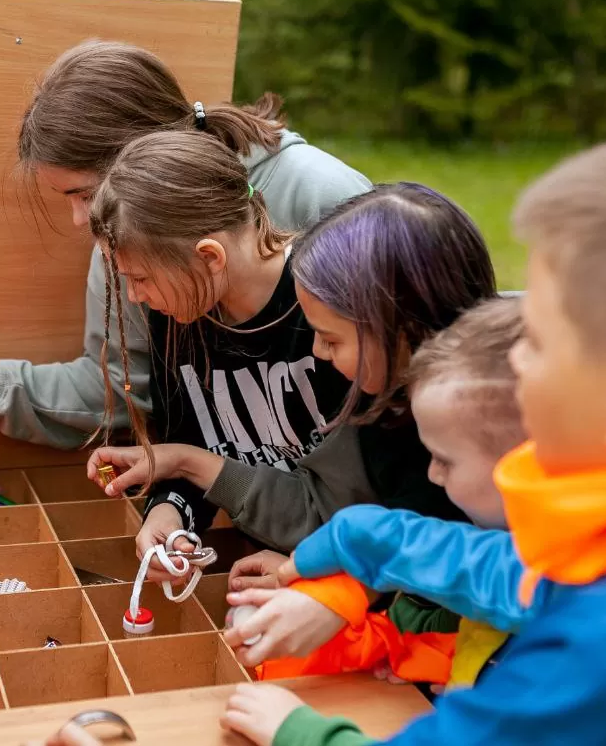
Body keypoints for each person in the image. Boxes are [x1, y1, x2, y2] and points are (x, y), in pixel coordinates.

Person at [224, 130, 606, 746]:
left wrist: (298, 732)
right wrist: (363, 540)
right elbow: (527, 574)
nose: (512, 360)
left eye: (536, 341)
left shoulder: (604, 656)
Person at [0, 40, 372, 450]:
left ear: (144, 152)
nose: (80, 220)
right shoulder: (122, 239)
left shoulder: (321, 194)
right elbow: (123, 387)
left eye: (86, 194)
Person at [88, 183, 489, 575]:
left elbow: (417, 547)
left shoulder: (411, 407)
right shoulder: (179, 317)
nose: (318, 352)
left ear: (400, 328)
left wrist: (323, 580)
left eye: (331, 339)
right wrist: (172, 498)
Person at [219, 298, 525, 720]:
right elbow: (452, 569)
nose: (432, 476)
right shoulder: (527, 556)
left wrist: (297, 732)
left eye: (446, 460)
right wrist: (417, 649)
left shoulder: (571, 635)